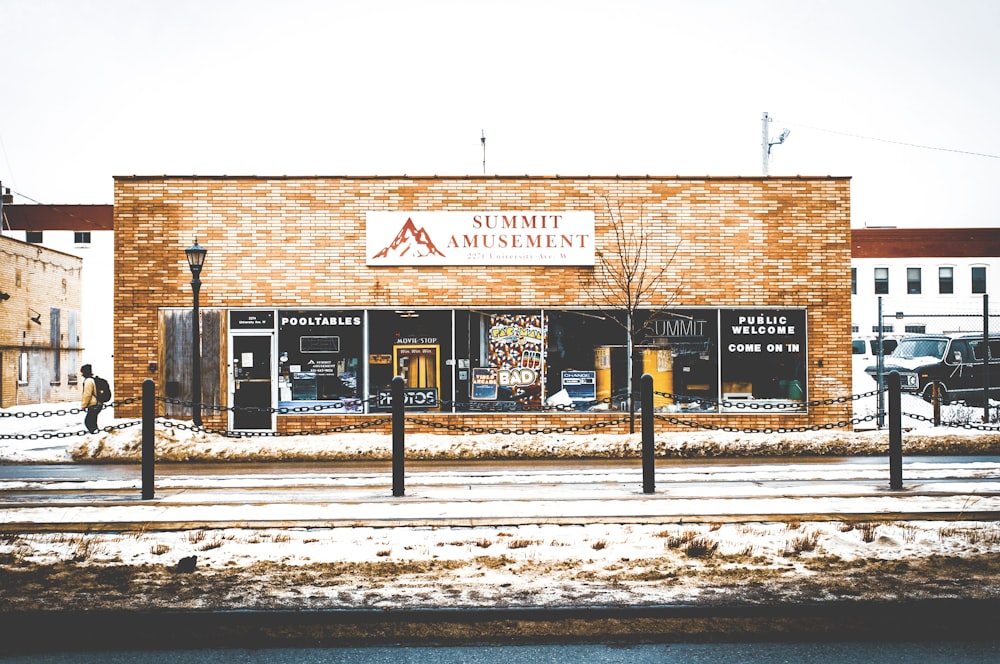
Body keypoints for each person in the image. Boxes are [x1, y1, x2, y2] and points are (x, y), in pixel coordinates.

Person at [80, 364, 102, 434]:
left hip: (93, 404)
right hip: (98, 403)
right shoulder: (93, 380)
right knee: (93, 422)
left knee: (88, 422)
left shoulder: (88, 381)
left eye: (82, 372)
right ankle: (96, 435)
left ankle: (95, 435)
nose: (81, 374)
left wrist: (83, 405)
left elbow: (87, 395)